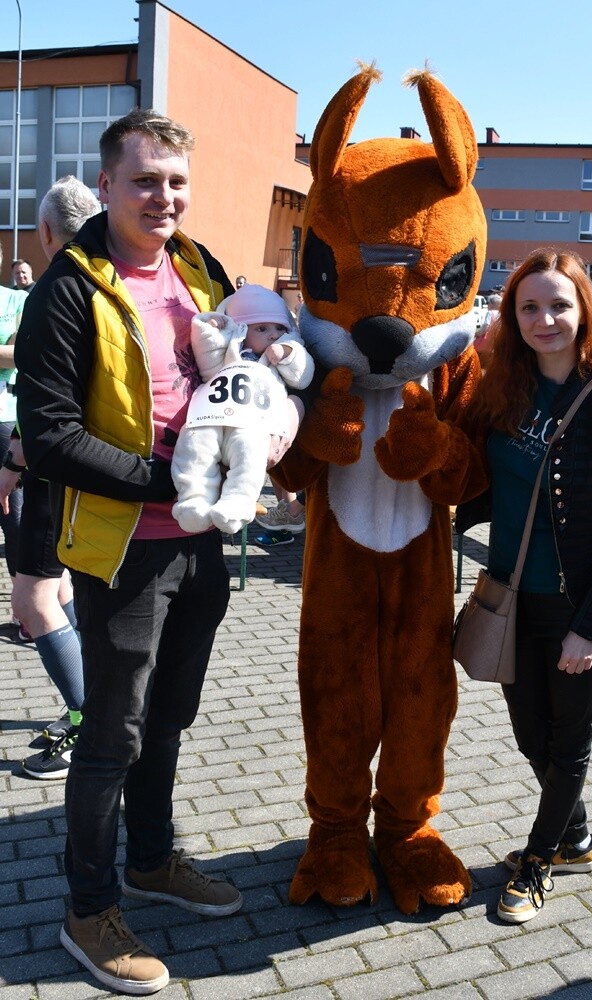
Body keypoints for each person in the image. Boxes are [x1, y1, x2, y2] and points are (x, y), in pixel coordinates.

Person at [15, 108, 251, 996]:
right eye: (144, 180)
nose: (163, 197)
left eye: (176, 182)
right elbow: (50, 436)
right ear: (107, 184)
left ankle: (152, 860)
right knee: (110, 736)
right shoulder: (69, 288)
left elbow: (238, 373)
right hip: (126, 550)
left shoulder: (199, 268)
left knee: (169, 718)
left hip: (202, 541)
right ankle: (89, 911)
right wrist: (172, 481)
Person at [458, 249, 592, 925]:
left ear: (583, 310)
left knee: (567, 744)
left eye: (558, 306)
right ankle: (577, 838)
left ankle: (538, 862)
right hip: (512, 596)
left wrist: (588, 627)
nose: (545, 320)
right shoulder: (503, 390)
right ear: (511, 316)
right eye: (529, 307)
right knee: (529, 736)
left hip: (575, 604)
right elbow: (477, 479)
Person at [0, 177, 102, 780]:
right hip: (97, 469)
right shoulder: (112, 280)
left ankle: (89, 721)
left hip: (55, 467)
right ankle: (99, 704)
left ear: (45, 232)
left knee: (32, 599)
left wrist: (12, 465)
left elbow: (42, 398)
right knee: (59, 587)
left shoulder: (57, 288)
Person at [171, 283, 313, 535]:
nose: (273, 335)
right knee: (195, 444)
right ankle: (194, 500)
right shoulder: (229, 351)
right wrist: (211, 330)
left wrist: (288, 352)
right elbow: (206, 362)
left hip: (254, 422)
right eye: (262, 329)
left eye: (280, 328)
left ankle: (238, 502)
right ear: (240, 330)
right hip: (210, 414)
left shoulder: (280, 354)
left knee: (251, 451)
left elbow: (302, 376)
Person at [0, 244, 26, 584]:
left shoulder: (15, 300)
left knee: (14, 514)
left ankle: (24, 596)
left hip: (5, 418)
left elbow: (20, 354)